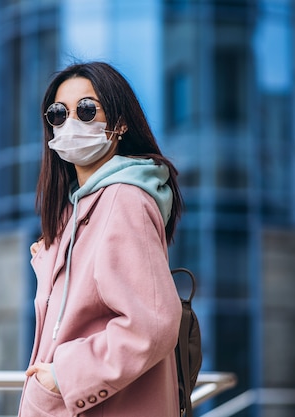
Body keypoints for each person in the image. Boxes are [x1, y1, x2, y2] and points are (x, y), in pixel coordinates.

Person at [18, 61, 184, 417]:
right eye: (58, 114)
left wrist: (65, 375)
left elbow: (153, 323)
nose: (70, 123)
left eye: (87, 110)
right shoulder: (78, 208)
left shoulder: (124, 199)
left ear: (120, 123)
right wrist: (49, 260)